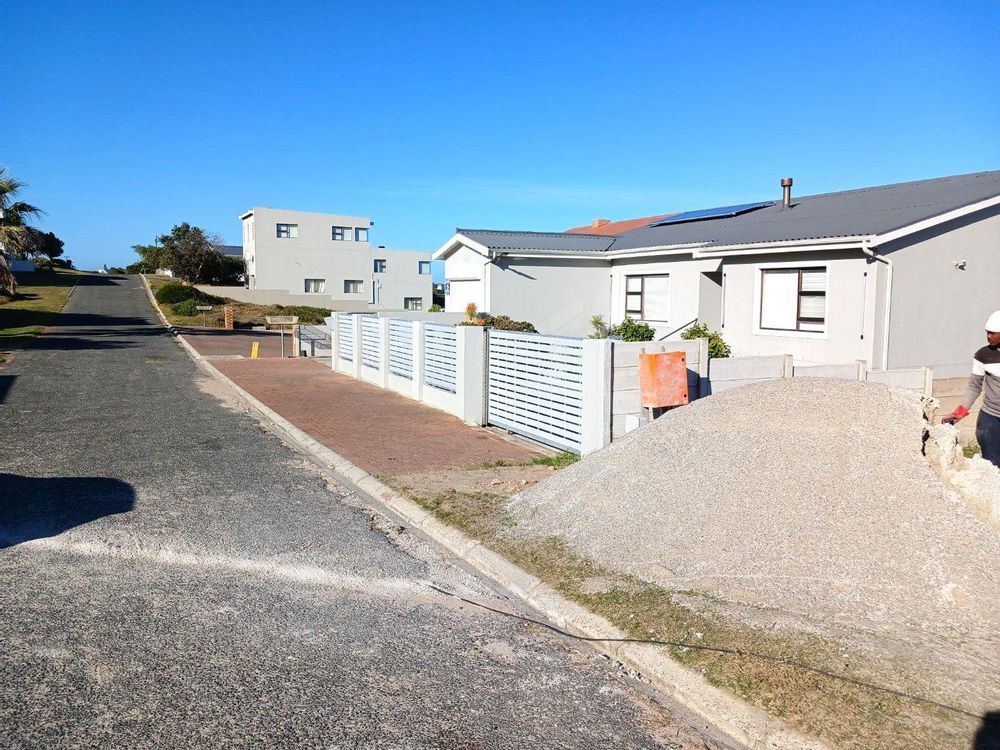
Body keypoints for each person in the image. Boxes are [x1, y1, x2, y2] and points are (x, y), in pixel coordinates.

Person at [942, 311, 1000, 467]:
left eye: (993, 333)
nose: (989, 336)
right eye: (987, 333)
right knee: (991, 466)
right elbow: (974, 386)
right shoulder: (983, 356)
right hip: (991, 419)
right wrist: (960, 412)